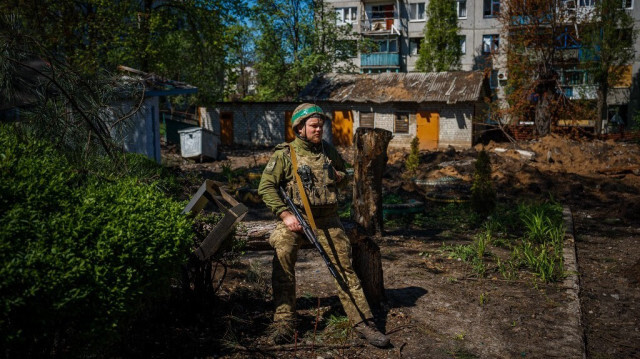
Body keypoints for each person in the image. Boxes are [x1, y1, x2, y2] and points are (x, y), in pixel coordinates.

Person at [258, 103, 390, 348]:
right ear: (299, 128)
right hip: (297, 219)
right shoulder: (285, 154)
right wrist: (285, 214)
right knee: (283, 254)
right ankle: (284, 320)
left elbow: (344, 177)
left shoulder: (328, 150)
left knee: (343, 267)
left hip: (329, 220)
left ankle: (363, 322)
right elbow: (266, 187)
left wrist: (340, 177)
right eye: (314, 126)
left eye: (321, 125)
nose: (319, 130)